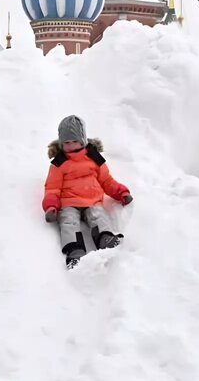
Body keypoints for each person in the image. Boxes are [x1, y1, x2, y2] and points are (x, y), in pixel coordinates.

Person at [42, 115, 134, 268]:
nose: (70, 146)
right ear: (61, 144)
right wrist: (51, 206)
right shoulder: (59, 163)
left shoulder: (94, 157)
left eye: (74, 141)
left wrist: (121, 192)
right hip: (68, 203)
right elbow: (52, 188)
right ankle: (74, 251)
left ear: (83, 140)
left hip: (92, 201)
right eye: (66, 143)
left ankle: (105, 239)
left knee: (98, 216)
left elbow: (106, 180)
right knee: (68, 222)